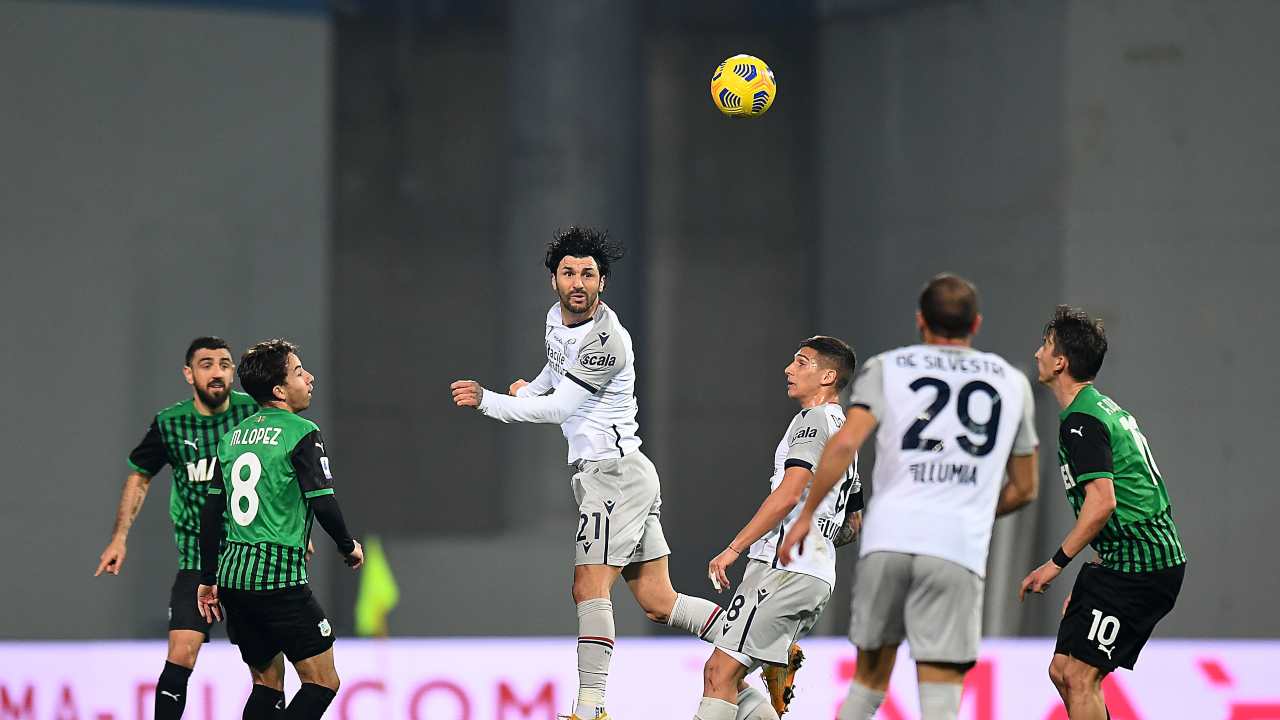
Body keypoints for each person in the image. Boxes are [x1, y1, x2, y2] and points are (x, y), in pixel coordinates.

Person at [450, 226, 731, 720]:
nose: (577, 282)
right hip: (612, 476)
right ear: (553, 280)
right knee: (657, 600)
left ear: (603, 282)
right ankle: (753, 639)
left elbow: (561, 408)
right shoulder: (556, 320)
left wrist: (490, 401)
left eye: (588, 274)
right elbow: (553, 376)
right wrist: (527, 391)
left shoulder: (608, 340)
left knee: (588, 586)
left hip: (614, 475)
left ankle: (591, 707)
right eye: (568, 273)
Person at [779, 273, 1040, 720]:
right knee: (940, 691)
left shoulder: (888, 367)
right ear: (975, 323)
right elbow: (1025, 487)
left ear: (921, 320)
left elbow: (844, 445)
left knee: (867, 683)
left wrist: (805, 517)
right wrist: (974, 509)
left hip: (889, 540)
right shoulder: (1011, 382)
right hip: (955, 548)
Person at [1019, 306, 1186, 720]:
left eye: (1045, 345)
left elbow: (1103, 502)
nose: (1038, 353)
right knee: (1062, 671)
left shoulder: (1082, 420)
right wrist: (1098, 575)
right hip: (1123, 561)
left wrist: (1055, 566)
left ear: (1060, 362)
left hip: (1142, 567)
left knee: (1079, 675)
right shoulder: (1101, 409)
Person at [695, 337, 862, 720]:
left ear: (828, 376)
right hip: (813, 575)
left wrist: (734, 548)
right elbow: (853, 524)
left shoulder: (814, 420)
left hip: (784, 570)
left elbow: (789, 494)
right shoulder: (846, 431)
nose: (789, 369)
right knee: (729, 679)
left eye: (801, 363)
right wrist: (819, 535)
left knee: (718, 674)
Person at [197, 339, 364, 719]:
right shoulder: (300, 431)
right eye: (299, 372)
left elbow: (211, 515)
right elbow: (323, 500)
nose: (309, 378)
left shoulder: (232, 438)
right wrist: (346, 545)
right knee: (323, 682)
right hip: (278, 581)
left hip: (234, 580)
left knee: (267, 684)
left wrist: (208, 577)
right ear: (279, 390)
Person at [95, 336, 259, 719]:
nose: (217, 372)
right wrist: (119, 537)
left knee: (265, 668)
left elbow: (282, 469)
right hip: (197, 562)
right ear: (189, 373)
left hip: (249, 558)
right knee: (181, 655)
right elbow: (140, 476)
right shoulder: (171, 423)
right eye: (206, 364)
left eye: (224, 363)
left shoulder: (254, 414)